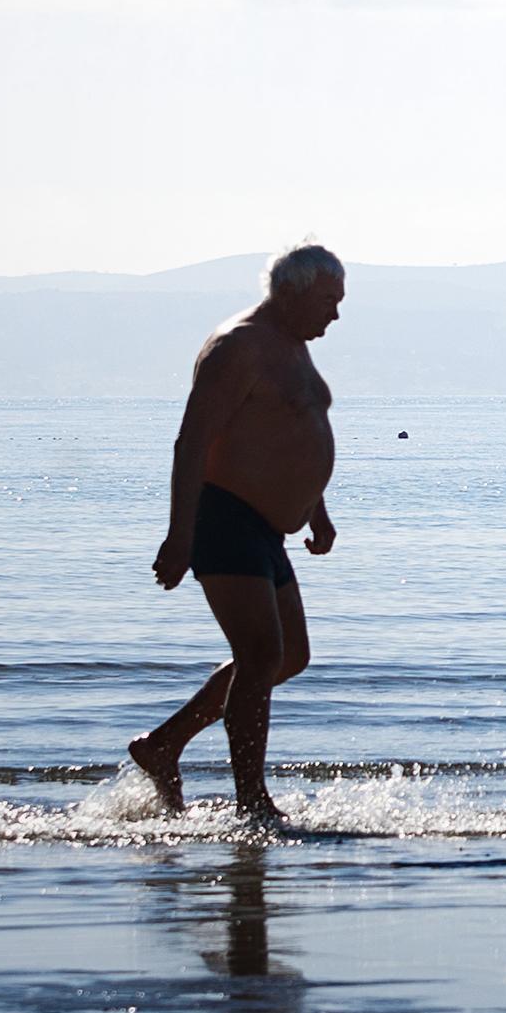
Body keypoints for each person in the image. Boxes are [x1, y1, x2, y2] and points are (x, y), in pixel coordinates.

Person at [127, 245, 346, 828]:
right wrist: (179, 536)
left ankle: (164, 744)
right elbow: (192, 442)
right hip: (224, 519)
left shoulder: (291, 347)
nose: (335, 316)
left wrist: (314, 507)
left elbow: (287, 433)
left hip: (265, 529)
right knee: (260, 655)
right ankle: (251, 799)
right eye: (329, 301)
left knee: (288, 655)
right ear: (294, 291)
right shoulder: (239, 346)